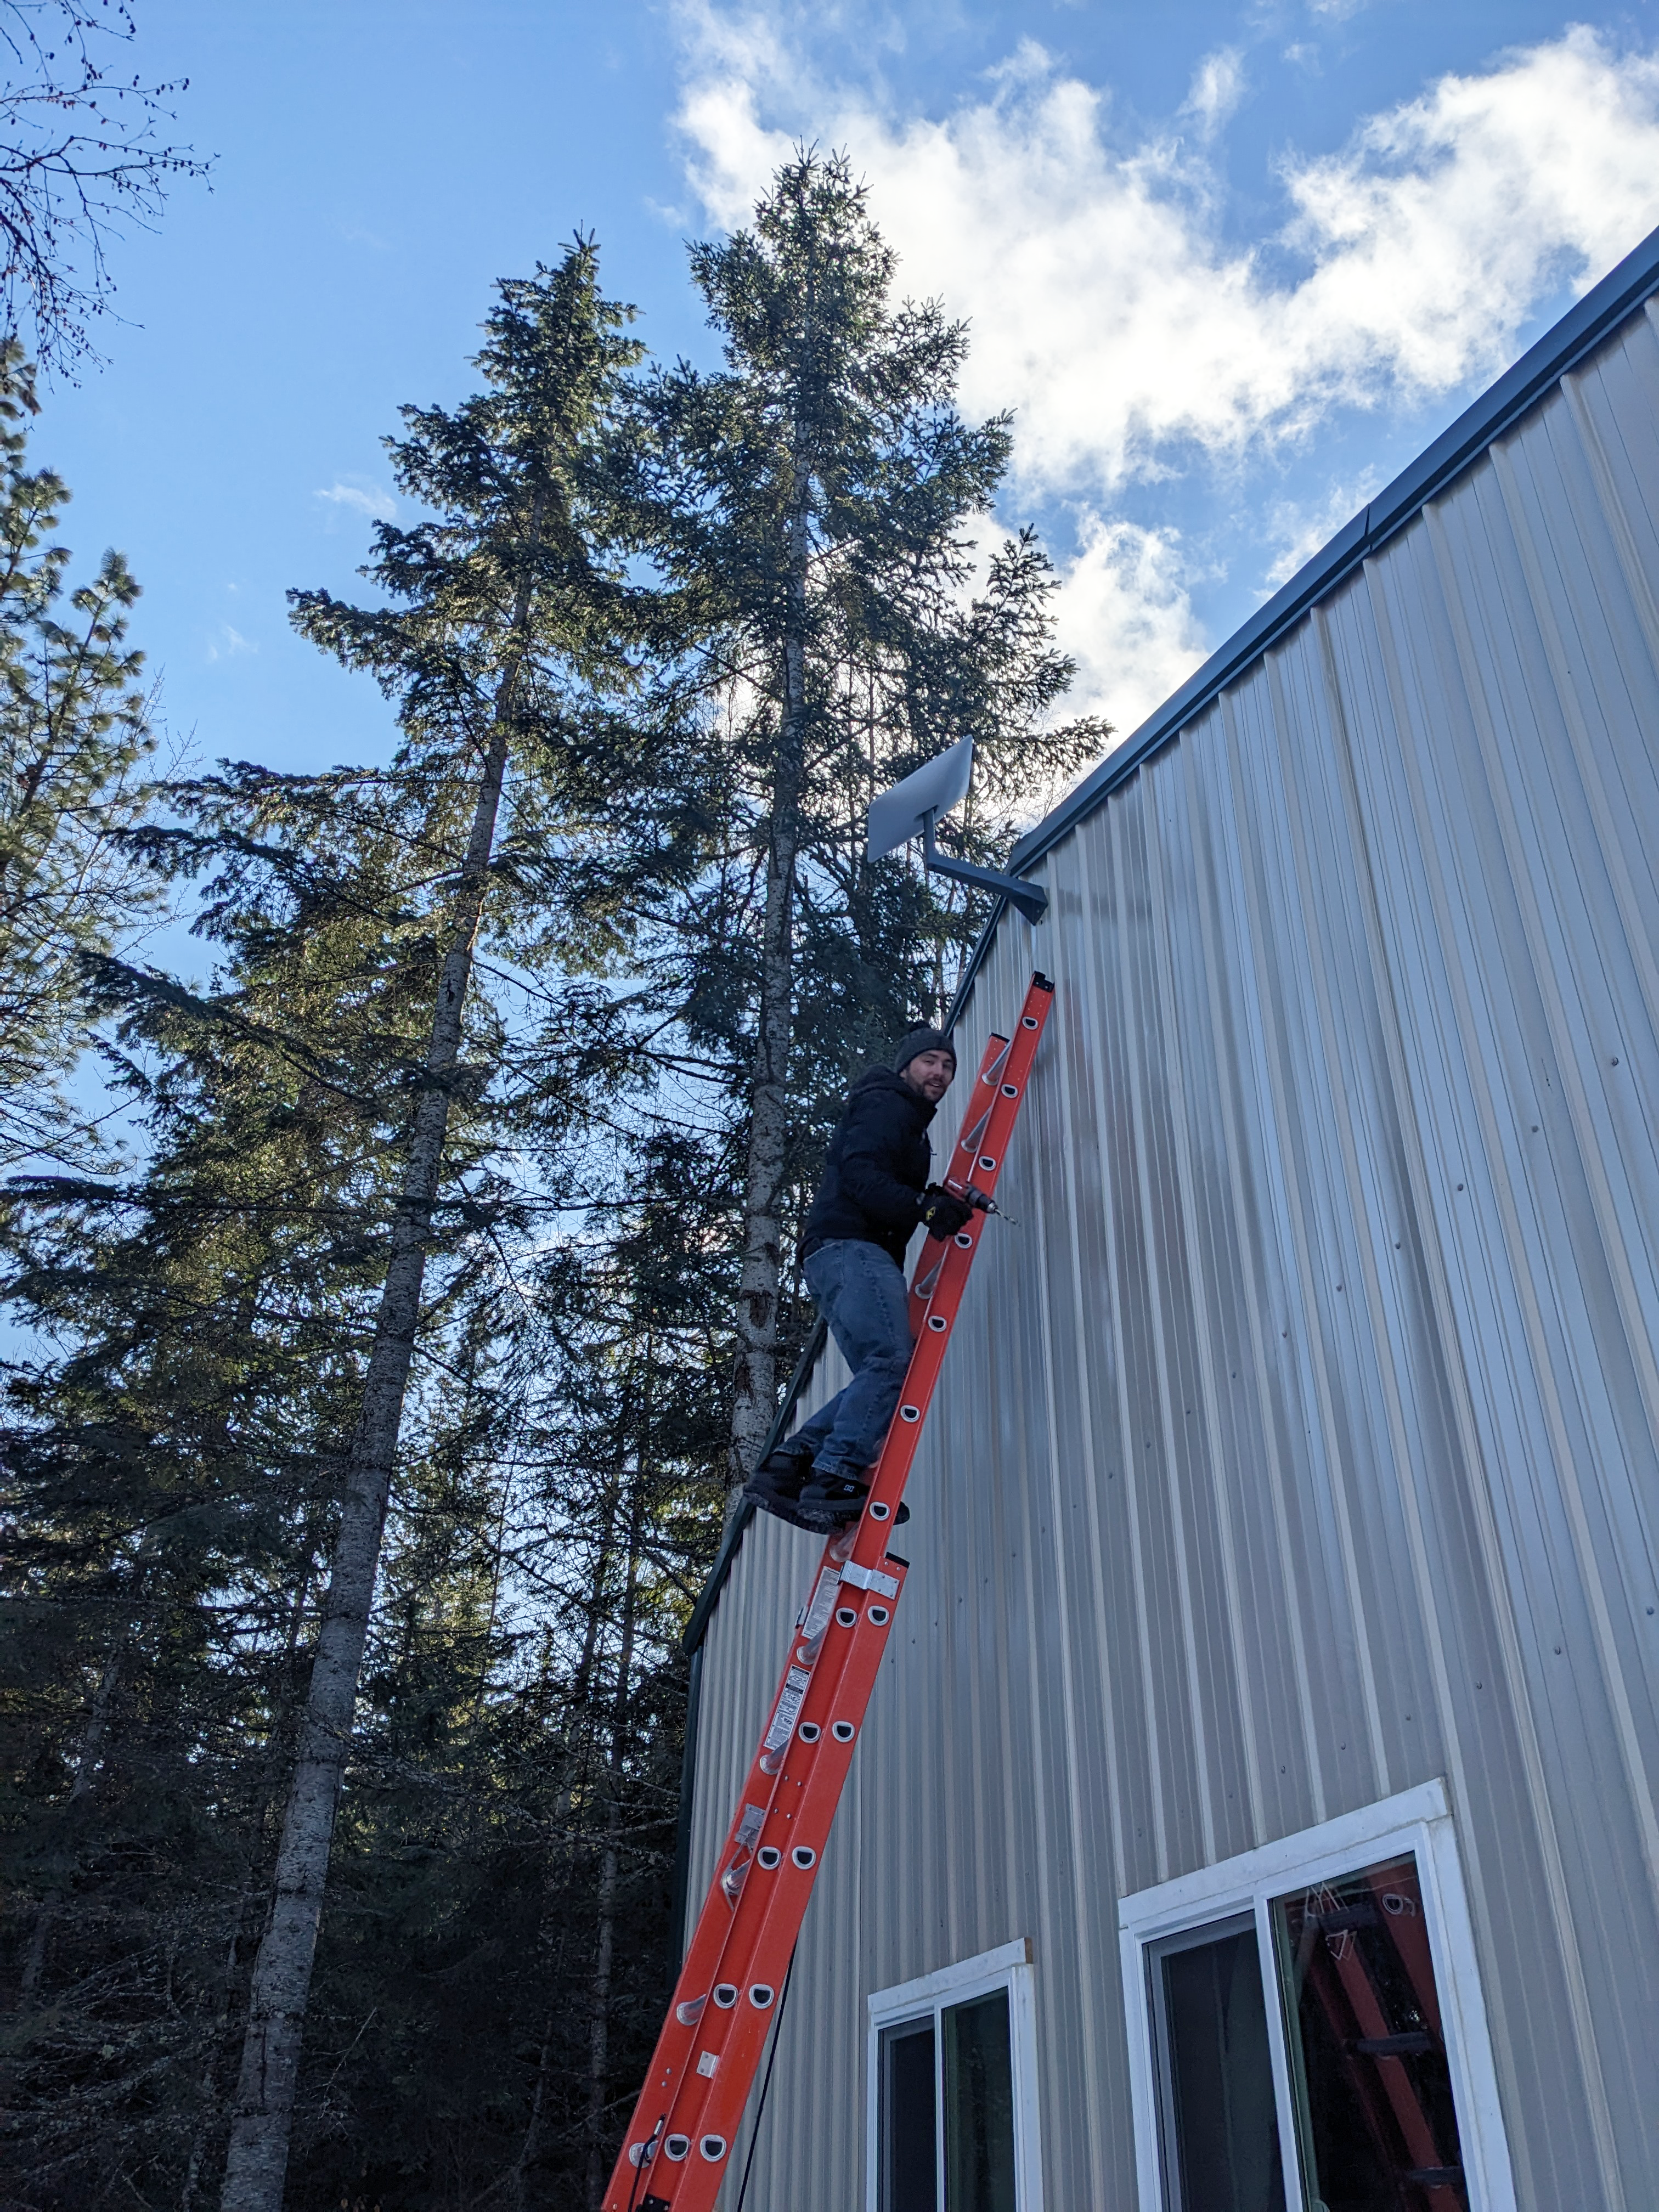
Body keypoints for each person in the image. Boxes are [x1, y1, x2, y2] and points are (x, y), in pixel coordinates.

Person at [746, 1026, 976, 1532]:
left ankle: (789, 1467)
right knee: (893, 1361)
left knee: (880, 1369)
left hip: (835, 1253)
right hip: (853, 1248)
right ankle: (835, 1475)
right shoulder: (887, 1105)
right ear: (905, 1067)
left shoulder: (902, 1118)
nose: (939, 1073)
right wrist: (921, 1205)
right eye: (929, 1062)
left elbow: (873, 1174)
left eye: (947, 1066)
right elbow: (860, 1173)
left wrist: (928, 1196)